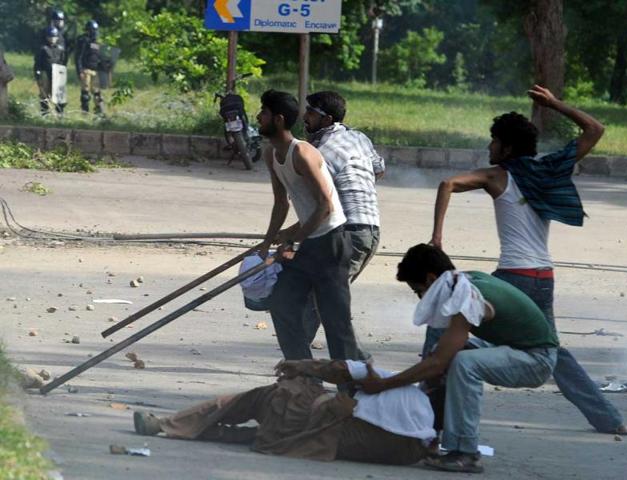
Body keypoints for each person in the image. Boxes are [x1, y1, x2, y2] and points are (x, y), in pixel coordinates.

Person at [428, 84, 627, 436]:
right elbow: (595, 129)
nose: (489, 147)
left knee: (442, 326)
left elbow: (447, 183)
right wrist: (554, 105)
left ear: (506, 147)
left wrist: (436, 238)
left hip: (512, 278)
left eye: (494, 141)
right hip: (543, 277)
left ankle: (429, 417)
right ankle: (609, 419)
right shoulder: (548, 170)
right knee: (549, 350)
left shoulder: (497, 176)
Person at [358, 243, 559, 473]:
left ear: (431, 279)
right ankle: (429, 435)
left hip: (538, 359)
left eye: (417, 290)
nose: (419, 298)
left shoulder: (466, 296)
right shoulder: (462, 280)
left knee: (464, 364)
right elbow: (439, 358)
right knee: (444, 352)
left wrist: (383, 385)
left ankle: (466, 454)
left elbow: (436, 365)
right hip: (517, 348)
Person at [132, 358, 438, 465]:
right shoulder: (420, 441)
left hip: (322, 422)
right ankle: (205, 431)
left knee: (267, 397)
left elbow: (344, 369)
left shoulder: (408, 392)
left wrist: (303, 366)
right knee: (273, 432)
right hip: (322, 442)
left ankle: (165, 424)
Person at [257, 89, 359, 362]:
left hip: (331, 243)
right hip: (308, 242)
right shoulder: (271, 154)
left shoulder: (302, 152)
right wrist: (267, 242)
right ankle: (303, 374)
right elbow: (281, 203)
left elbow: (325, 205)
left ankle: (354, 387)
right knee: (281, 303)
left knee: (337, 325)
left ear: (278, 119)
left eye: (263, 113)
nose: (258, 117)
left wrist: (293, 240)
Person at [301, 91, 384, 355]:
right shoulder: (359, 137)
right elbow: (379, 169)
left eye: (311, 113)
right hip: (370, 230)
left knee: (321, 298)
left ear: (326, 120)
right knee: (326, 297)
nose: (305, 118)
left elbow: (318, 196)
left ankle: (301, 356)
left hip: (348, 232)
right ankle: (301, 354)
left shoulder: (323, 150)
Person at [33, 26, 65, 116]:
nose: (52, 39)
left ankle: (60, 114)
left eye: (54, 37)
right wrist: (37, 75)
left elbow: (62, 62)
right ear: (46, 37)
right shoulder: (43, 49)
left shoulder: (60, 49)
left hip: (57, 73)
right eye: (50, 37)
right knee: (44, 94)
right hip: (45, 73)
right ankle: (45, 113)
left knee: (59, 94)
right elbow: (37, 63)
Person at [75, 20, 104, 115]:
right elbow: (78, 56)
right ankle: (85, 113)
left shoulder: (97, 43)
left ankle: (99, 112)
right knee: (85, 93)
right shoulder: (83, 41)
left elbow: (99, 57)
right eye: (93, 30)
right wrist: (80, 71)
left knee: (97, 93)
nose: (94, 32)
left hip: (95, 71)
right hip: (86, 69)